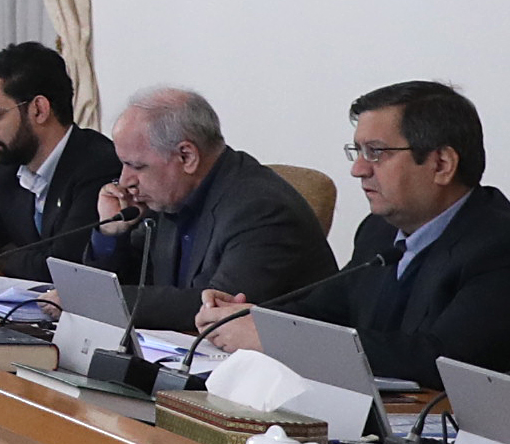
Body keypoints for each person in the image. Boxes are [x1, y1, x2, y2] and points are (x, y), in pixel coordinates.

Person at [203, 82, 510, 430]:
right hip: (418, 432)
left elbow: (436, 361)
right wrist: (249, 317)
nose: (359, 170)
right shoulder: (379, 232)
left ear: (441, 164)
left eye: (376, 152)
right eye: (357, 151)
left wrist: (275, 338)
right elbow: (326, 309)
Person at [81, 86, 333, 332]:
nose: (125, 181)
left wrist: (95, 298)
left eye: (136, 166)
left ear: (187, 156)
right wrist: (112, 233)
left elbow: (216, 309)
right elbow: (130, 282)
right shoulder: (168, 196)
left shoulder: (262, 210)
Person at [0, 42, 118, 268]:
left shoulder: (98, 167)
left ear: (39, 109)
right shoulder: (10, 172)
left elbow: (63, 266)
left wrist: (0, 261)